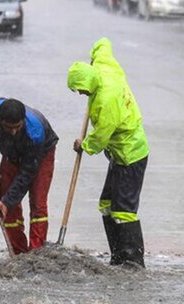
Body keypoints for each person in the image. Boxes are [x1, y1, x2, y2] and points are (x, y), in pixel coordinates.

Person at [66, 38, 150, 268]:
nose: (81, 94)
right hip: (118, 154)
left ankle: (133, 260)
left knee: (123, 210)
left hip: (130, 153)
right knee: (106, 204)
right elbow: (103, 44)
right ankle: (117, 255)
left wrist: (84, 146)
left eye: (81, 90)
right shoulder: (103, 66)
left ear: (89, 83)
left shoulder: (106, 100)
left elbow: (102, 135)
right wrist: (94, 56)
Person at [0, 98, 59, 255]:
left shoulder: (35, 134)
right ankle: (17, 253)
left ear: (23, 121)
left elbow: (26, 175)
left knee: (38, 203)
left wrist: (6, 201)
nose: (13, 132)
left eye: (17, 127)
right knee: (6, 207)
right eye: (8, 127)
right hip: (11, 154)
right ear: (0, 120)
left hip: (41, 153)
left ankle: (35, 254)